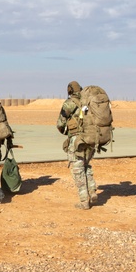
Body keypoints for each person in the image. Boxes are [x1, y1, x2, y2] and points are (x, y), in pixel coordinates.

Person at [56, 81, 96, 209]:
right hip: (90, 139)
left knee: (78, 170)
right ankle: (92, 190)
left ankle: (84, 201)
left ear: (69, 91)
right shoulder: (88, 102)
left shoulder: (69, 103)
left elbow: (60, 123)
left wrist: (66, 131)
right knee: (86, 166)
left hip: (77, 140)